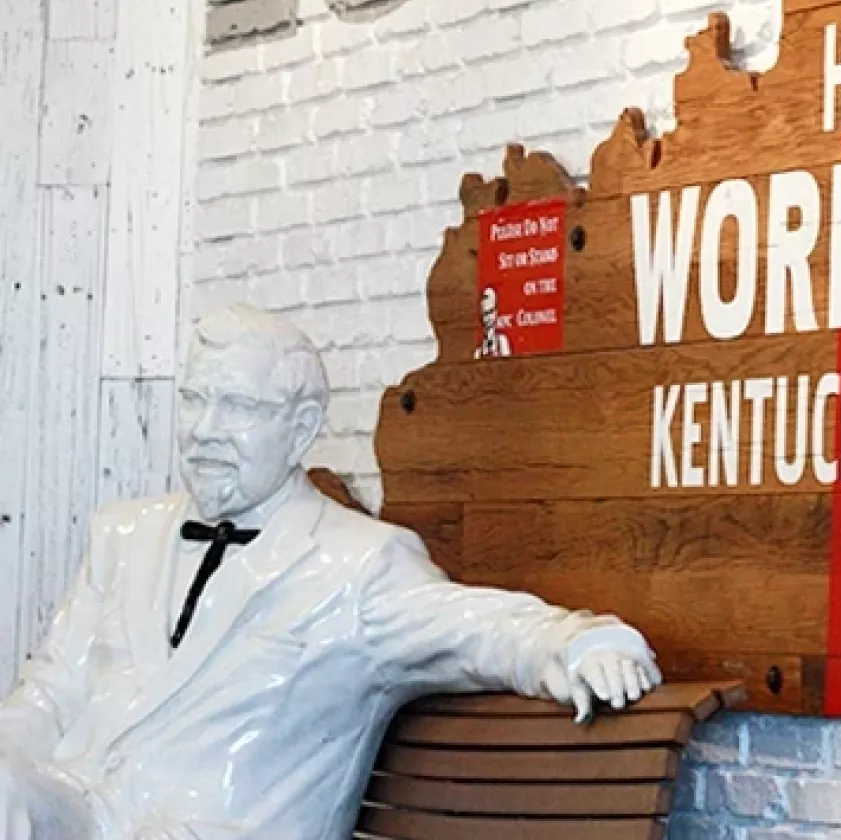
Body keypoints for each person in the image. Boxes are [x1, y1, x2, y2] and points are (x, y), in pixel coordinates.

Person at [0, 305, 660, 839]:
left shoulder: (357, 565)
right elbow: (50, 692)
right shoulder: (124, 535)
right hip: (79, 815)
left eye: (238, 406)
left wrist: (581, 641)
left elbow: (479, 628)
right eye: (195, 399)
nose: (204, 430)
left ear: (302, 428)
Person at [475, 286, 512, 358]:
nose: (488, 317)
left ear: (495, 312)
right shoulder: (478, 352)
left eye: (490, 312)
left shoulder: (501, 341)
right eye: (485, 314)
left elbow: (507, 363)